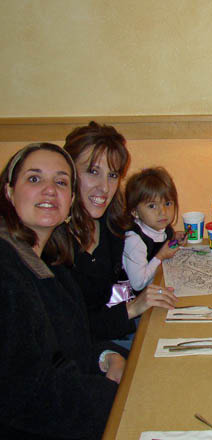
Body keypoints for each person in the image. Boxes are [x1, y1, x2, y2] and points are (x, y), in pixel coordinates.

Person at [0, 142, 122, 438]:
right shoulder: (7, 272)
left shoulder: (51, 264)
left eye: (61, 182)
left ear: (70, 199)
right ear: (9, 191)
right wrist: (119, 397)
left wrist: (107, 356)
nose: (49, 190)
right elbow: (27, 395)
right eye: (34, 179)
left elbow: (71, 346)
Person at [65, 122, 178, 343]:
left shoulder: (112, 224)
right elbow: (69, 330)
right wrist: (133, 308)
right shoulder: (55, 241)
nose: (104, 187)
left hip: (115, 329)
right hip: (95, 344)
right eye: (93, 171)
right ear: (68, 172)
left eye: (113, 175)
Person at [123, 166, 184, 291]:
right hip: (136, 297)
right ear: (135, 212)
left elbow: (160, 239)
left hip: (158, 284)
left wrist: (174, 238)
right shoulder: (134, 240)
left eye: (167, 203)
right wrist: (161, 256)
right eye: (152, 206)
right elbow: (138, 284)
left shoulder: (160, 226)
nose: (163, 212)